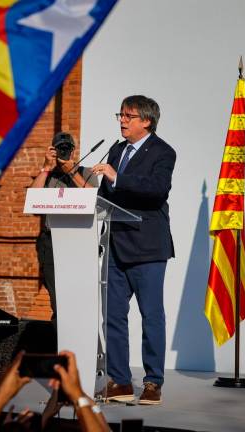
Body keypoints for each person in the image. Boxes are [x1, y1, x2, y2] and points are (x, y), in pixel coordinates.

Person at [91, 95, 176, 405]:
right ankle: (120, 382)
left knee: (151, 315)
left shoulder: (163, 152)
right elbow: (105, 194)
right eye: (121, 114)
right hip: (115, 244)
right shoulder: (117, 149)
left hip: (148, 247)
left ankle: (153, 382)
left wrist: (117, 176)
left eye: (128, 116)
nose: (122, 121)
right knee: (113, 315)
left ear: (146, 121)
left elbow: (156, 190)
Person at [30, 132, 98, 320]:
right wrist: (45, 167)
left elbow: (95, 199)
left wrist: (72, 172)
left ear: (74, 151)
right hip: (50, 242)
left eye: (67, 148)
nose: (63, 152)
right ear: (52, 150)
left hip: (77, 243)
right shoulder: (48, 175)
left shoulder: (86, 173)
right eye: (60, 148)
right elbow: (33, 200)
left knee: (75, 298)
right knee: (57, 301)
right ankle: (61, 338)